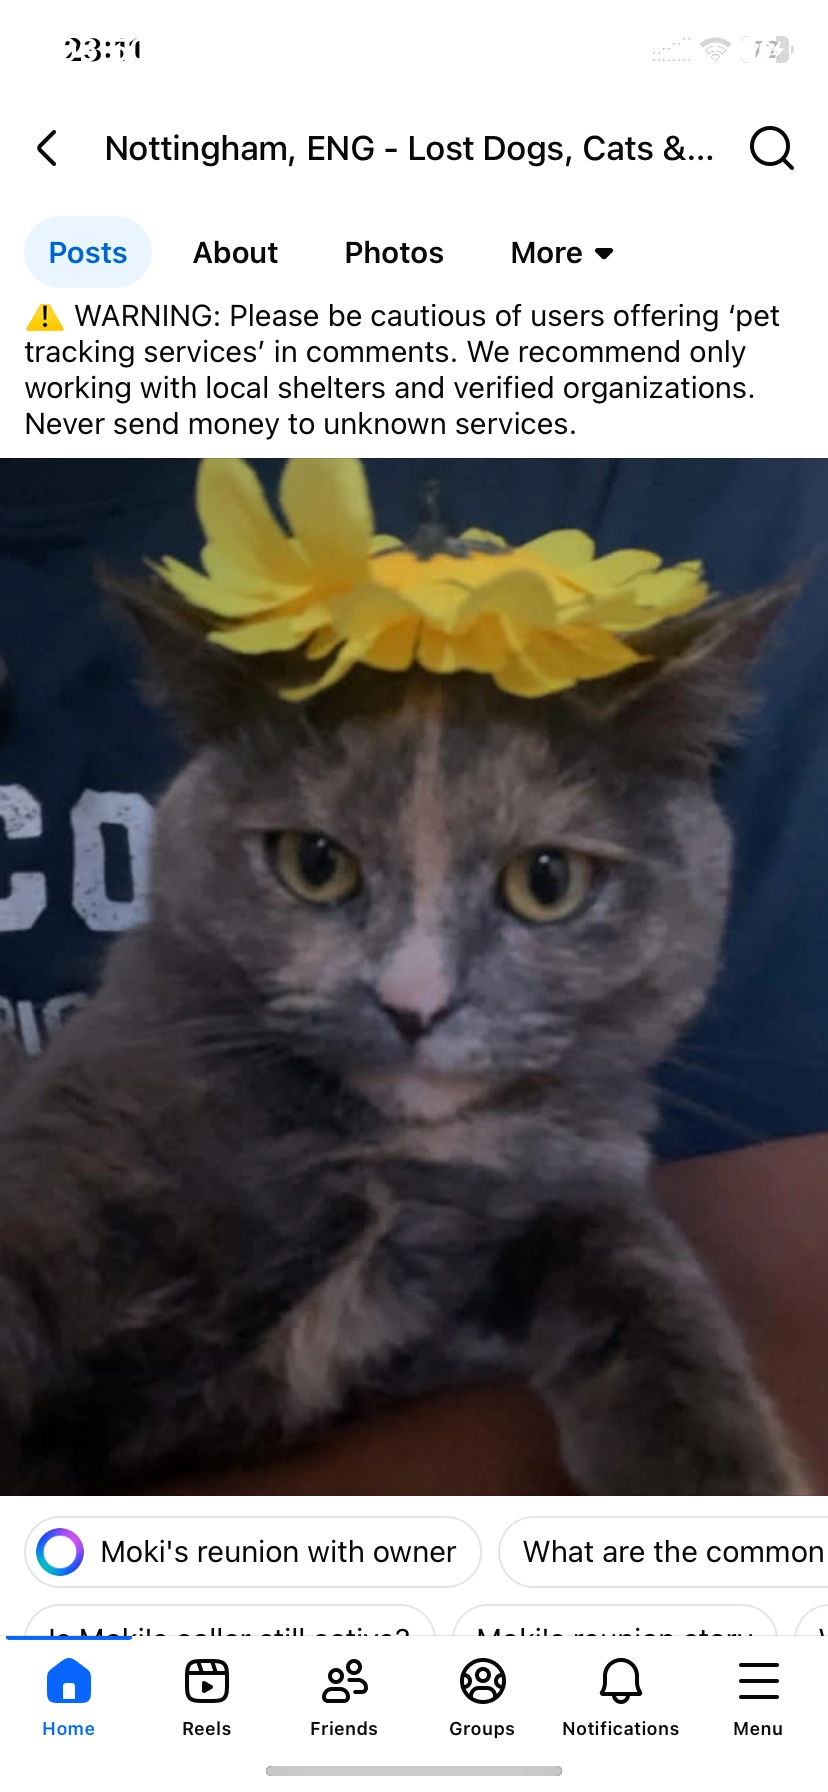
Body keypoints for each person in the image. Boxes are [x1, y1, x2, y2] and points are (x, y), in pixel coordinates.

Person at [2, 457, 827, 1492]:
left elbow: (785, 1317)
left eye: (544, 882)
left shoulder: (701, 479)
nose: (416, 995)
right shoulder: (152, 1073)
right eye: (318, 865)